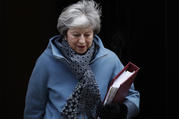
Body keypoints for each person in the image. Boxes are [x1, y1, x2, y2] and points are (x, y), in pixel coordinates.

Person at [24, 0, 140, 119]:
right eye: (76, 34)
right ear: (65, 34)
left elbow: (133, 97)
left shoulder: (109, 59)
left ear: (94, 33)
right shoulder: (46, 61)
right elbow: (33, 111)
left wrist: (121, 111)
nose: (82, 41)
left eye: (87, 34)